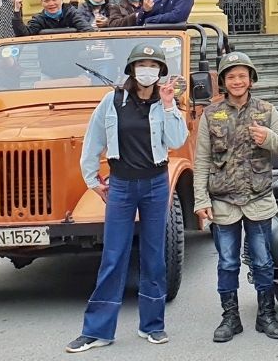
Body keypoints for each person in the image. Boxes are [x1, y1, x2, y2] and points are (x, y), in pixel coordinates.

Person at [68, 45, 188, 352]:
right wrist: (92, 180)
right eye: (141, 64)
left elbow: (176, 141)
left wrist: (171, 104)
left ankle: (153, 325)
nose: (146, 70)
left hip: (156, 184)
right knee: (114, 256)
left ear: (160, 72)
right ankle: (97, 330)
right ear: (131, 69)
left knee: (154, 256)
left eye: (153, 65)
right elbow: (93, 141)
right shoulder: (112, 101)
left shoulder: (165, 104)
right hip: (120, 185)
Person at [194, 51, 278, 343]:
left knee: (263, 260)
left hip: (258, 199)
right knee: (227, 262)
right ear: (223, 81)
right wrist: (200, 200)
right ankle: (230, 317)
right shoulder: (211, 114)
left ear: (250, 79)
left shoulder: (266, 110)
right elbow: (201, 160)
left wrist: (268, 138)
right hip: (223, 201)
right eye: (231, 76)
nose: (237, 81)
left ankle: (266, 315)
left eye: (242, 75)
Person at [24, 0, 94, 34]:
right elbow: (25, 33)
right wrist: (17, 10)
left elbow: (87, 30)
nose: (51, 3)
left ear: (62, 0)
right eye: (46, 1)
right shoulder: (39, 19)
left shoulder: (71, 13)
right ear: (41, 3)